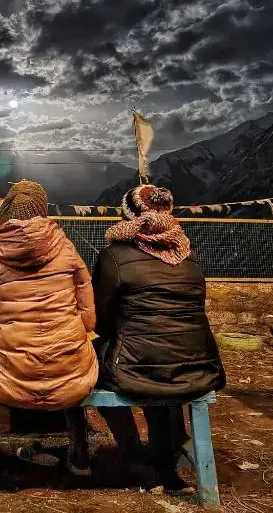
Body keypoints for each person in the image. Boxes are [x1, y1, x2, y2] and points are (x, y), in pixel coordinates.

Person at [0, 179, 98, 474]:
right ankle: (78, 452)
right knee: (72, 356)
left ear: (5, 213)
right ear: (42, 210)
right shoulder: (67, 248)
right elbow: (88, 320)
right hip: (69, 375)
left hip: (11, 378)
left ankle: (26, 432)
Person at [92, 184, 226, 492]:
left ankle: (133, 454)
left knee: (92, 368)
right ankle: (166, 455)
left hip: (141, 366)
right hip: (196, 367)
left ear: (128, 215)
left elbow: (101, 319)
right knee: (159, 358)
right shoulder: (189, 256)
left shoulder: (114, 256)